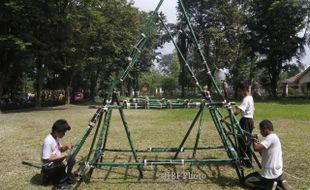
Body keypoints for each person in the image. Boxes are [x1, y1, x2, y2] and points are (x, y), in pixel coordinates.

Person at [244, 120, 290, 190]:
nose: (260, 132)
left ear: (266, 128)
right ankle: (279, 182)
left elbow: (256, 148)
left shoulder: (270, 138)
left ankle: (269, 186)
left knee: (246, 181)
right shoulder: (274, 137)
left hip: (269, 172)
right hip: (277, 171)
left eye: (261, 130)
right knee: (254, 178)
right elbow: (263, 154)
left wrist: (253, 141)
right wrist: (257, 141)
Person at [221, 83, 255, 167]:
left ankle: (245, 162)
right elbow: (247, 109)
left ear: (244, 89)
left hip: (245, 121)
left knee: (242, 141)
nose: (239, 92)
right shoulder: (250, 98)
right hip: (250, 120)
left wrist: (225, 118)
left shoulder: (246, 99)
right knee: (246, 140)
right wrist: (239, 107)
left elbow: (237, 113)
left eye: (240, 90)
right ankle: (247, 162)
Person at [41, 119, 76, 188]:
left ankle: (63, 176)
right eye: (63, 132)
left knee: (71, 158)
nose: (64, 134)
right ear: (56, 131)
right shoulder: (48, 141)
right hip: (49, 168)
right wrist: (61, 157)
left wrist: (66, 147)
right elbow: (45, 159)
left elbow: (59, 149)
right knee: (70, 159)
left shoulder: (55, 137)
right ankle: (61, 184)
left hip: (57, 163)